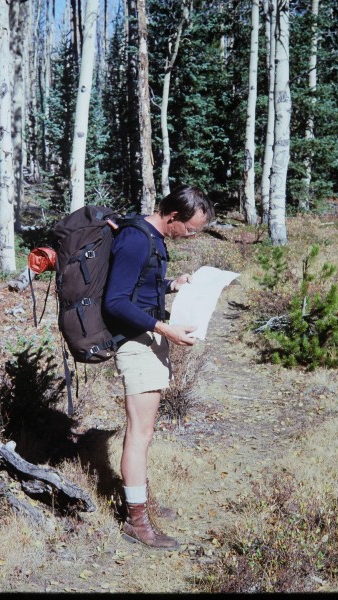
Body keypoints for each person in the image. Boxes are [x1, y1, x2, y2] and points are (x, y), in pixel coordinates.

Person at [103, 184, 214, 549]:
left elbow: (140, 287)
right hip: (136, 344)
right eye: (192, 229)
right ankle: (136, 522)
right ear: (172, 217)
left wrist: (170, 284)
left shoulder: (151, 236)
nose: (192, 235)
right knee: (140, 433)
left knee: (144, 431)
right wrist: (162, 327)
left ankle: (142, 502)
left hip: (147, 339)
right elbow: (115, 302)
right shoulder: (136, 239)